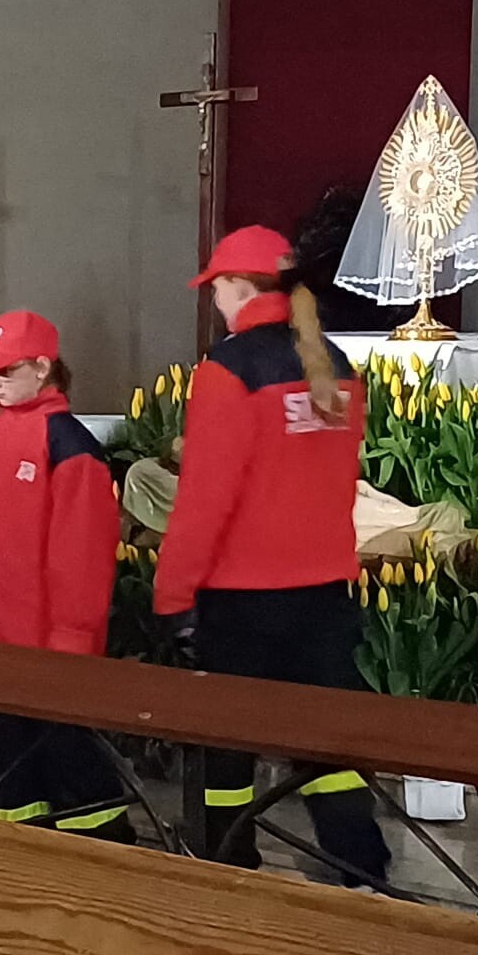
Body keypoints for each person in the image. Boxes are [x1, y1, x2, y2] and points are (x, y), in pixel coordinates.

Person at [154, 225, 391, 882]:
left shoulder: (228, 370)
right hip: (324, 595)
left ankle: (224, 865)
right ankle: (361, 868)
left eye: (217, 288)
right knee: (327, 749)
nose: (215, 301)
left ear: (237, 286)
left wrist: (173, 596)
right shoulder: (335, 364)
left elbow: (206, 499)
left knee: (226, 752)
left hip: (242, 602)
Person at [0, 311, 134, 842]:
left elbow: (83, 556)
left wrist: (72, 639)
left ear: (42, 367)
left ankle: (110, 858)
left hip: (47, 649)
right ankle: (16, 861)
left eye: (6, 370)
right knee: (9, 776)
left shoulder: (69, 445)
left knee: (72, 768)